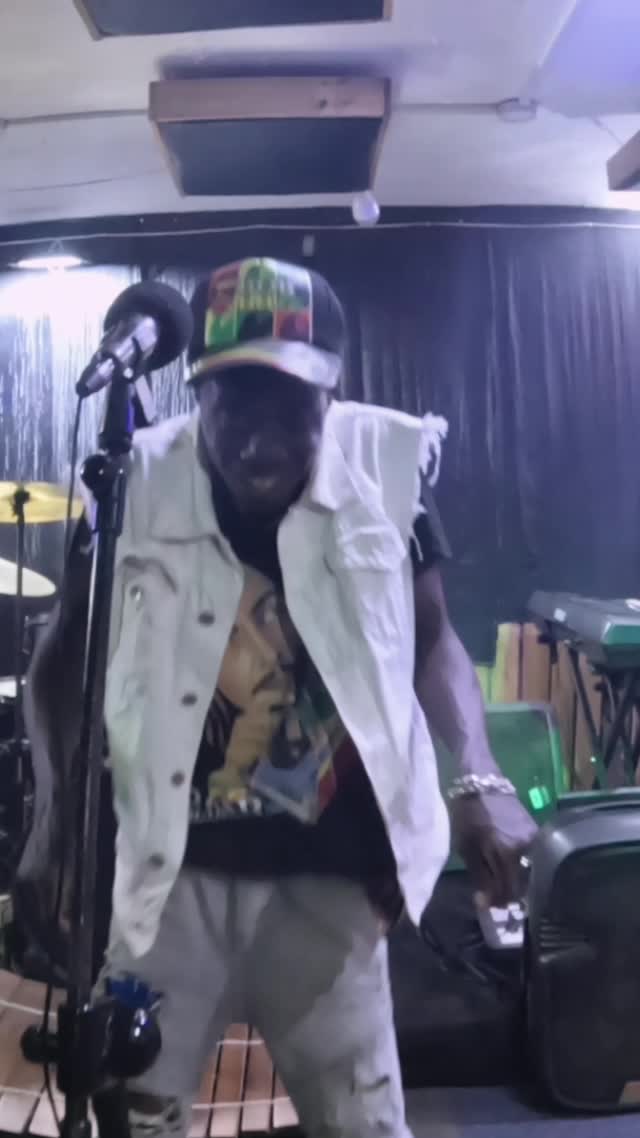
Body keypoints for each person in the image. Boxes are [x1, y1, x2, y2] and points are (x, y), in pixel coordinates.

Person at [23, 257, 536, 1138]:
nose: (261, 443)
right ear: (197, 394)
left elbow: (433, 639)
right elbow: (63, 657)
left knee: (364, 1126)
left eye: (291, 410)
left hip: (331, 882)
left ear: (332, 394)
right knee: (137, 1119)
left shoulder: (388, 470)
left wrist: (478, 775)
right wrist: (54, 824)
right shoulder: (131, 480)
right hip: (170, 881)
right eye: (235, 409)